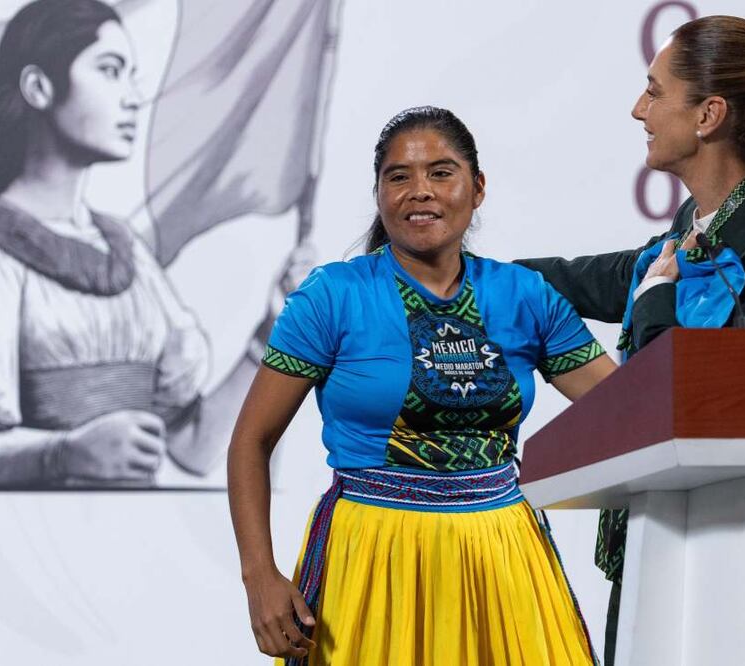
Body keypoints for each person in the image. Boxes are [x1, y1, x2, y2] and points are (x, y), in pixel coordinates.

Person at [228, 106, 617, 664]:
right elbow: (251, 441)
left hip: (504, 558)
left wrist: (660, 296)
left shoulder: (524, 294)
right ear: (379, 194)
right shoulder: (332, 296)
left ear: (477, 188)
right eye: (399, 176)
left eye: (441, 172)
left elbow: (625, 409)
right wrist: (259, 576)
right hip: (372, 557)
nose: (420, 191)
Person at [517, 15, 745, 664]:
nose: (639, 109)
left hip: (720, 552)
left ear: (708, 115)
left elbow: (698, 403)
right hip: (660, 524)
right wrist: (486, 278)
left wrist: (656, 298)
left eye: (655, 92)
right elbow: (617, 277)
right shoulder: (703, 218)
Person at [0, 0, 294, 487]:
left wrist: (271, 336)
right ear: (39, 87)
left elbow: (194, 447)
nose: (133, 97)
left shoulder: (128, 255)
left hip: (134, 531)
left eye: (131, 75)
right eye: (110, 70)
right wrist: (63, 454)